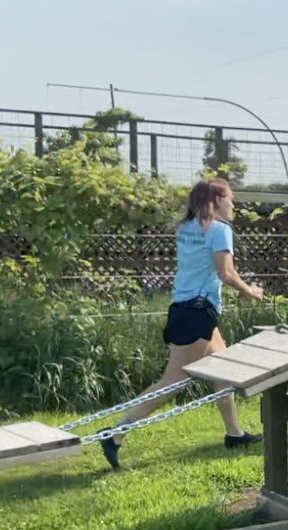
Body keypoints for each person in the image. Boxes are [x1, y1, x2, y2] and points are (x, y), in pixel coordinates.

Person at [100, 177, 265, 471]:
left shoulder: (187, 228)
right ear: (216, 201)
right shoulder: (219, 230)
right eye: (230, 199)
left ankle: (234, 434)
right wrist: (250, 291)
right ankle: (116, 433)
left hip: (186, 307)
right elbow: (225, 273)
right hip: (198, 312)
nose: (233, 204)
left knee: (224, 369)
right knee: (173, 382)